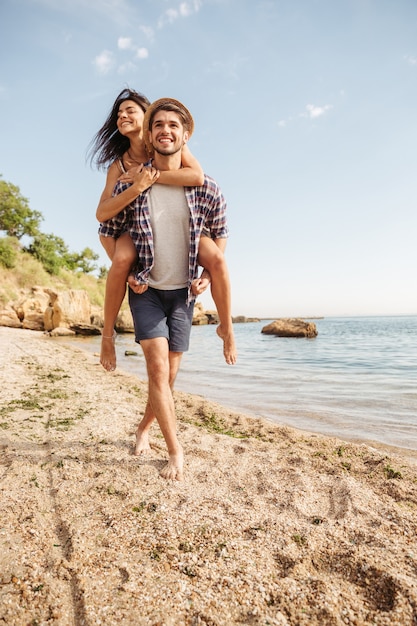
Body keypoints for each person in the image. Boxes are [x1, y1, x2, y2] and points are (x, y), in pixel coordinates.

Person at [121, 97, 231, 480]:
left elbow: (220, 235)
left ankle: (143, 428)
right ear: (150, 136)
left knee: (168, 379)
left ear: (185, 135)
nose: (165, 130)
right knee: (155, 371)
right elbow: (110, 231)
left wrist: (206, 272)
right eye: (158, 125)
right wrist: (127, 269)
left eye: (173, 125)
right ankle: (175, 451)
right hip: (146, 292)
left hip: (183, 294)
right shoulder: (135, 184)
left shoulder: (207, 187)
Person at [89, 88, 237, 370]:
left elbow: (196, 177)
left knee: (217, 259)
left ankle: (226, 327)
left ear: (146, 117)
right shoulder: (119, 165)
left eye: (130, 111)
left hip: (184, 225)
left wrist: (152, 177)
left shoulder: (167, 140)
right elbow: (102, 214)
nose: (122, 116)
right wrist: (137, 186)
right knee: (121, 261)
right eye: (119, 114)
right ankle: (107, 335)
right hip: (136, 228)